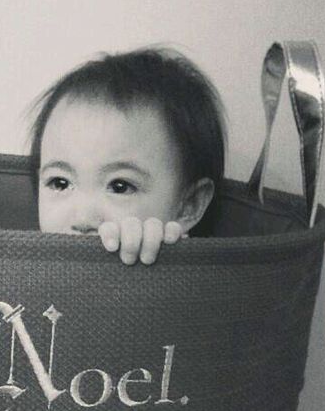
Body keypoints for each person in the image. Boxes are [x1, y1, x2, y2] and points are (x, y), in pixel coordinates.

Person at [29, 46, 226, 265]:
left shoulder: (187, 281)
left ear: (189, 205)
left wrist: (164, 268)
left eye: (119, 186)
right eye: (59, 183)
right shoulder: (23, 268)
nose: (83, 219)